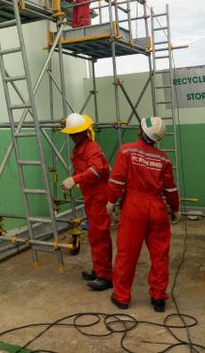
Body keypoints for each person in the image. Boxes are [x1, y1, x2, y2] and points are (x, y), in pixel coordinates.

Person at [107, 117, 180, 312]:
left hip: (134, 207)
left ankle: (121, 298)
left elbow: (117, 180)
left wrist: (111, 201)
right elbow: (170, 189)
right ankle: (158, 298)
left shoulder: (127, 150)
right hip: (157, 208)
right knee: (160, 255)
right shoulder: (164, 159)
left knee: (127, 253)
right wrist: (175, 209)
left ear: (141, 130)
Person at [61, 113, 113, 291]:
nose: (72, 137)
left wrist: (75, 179)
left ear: (83, 132)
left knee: (100, 235)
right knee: (94, 235)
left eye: (74, 133)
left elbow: (98, 170)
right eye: (70, 134)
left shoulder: (91, 148)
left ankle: (105, 276)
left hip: (99, 197)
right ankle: (99, 270)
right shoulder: (80, 148)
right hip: (91, 197)